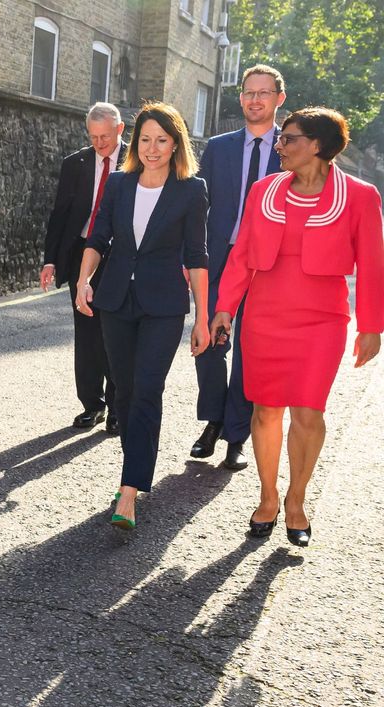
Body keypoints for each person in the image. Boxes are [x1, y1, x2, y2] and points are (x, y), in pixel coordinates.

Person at [210, 106, 383, 547]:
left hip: (322, 321)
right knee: (266, 410)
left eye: (289, 139)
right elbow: (243, 253)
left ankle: (296, 500)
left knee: (309, 411)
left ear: (318, 146)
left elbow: (373, 264)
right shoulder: (263, 190)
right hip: (265, 316)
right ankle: (268, 498)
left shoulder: (361, 197)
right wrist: (225, 306)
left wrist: (372, 325)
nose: (280, 146)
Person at [76, 101, 210, 530]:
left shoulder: (191, 190)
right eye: (146, 139)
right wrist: (83, 281)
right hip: (115, 301)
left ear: (176, 145)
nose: (152, 148)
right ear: (137, 143)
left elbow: (197, 256)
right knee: (125, 393)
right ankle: (135, 468)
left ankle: (130, 489)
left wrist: (203, 318)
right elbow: (98, 236)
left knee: (149, 388)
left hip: (164, 306)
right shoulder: (118, 184)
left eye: (162, 140)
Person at [191, 65, 287, 471]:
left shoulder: (293, 148)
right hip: (220, 260)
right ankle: (213, 420)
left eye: (264, 93)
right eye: (249, 92)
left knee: (251, 350)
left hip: (268, 268)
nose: (255, 100)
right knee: (209, 343)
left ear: (279, 99)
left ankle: (236, 435)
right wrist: (191, 257)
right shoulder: (218, 147)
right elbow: (197, 206)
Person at [40, 102, 126, 435]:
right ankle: (92, 406)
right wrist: (51, 259)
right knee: (87, 332)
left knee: (115, 334)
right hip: (81, 254)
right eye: (93, 137)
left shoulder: (138, 160)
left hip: (119, 258)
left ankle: (118, 406)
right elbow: (59, 214)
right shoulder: (74, 163)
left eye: (105, 136)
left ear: (119, 130)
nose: (100, 144)